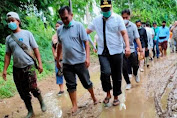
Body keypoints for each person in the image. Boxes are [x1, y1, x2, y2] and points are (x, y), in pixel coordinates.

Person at [2, 12, 46, 118]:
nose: (11, 23)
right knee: (22, 91)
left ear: (18, 21)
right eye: (9, 21)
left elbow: (35, 49)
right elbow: (8, 55)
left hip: (29, 66)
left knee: (33, 87)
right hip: (17, 69)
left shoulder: (27, 33)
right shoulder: (9, 39)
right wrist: (4, 70)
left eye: (13, 20)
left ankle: (41, 101)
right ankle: (30, 111)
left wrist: (40, 64)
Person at [86, 0, 131, 106]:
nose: (105, 10)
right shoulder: (96, 20)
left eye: (107, 8)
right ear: (100, 8)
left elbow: (124, 33)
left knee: (116, 75)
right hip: (103, 52)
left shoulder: (118, 19)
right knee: (105, 73)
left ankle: (116, 96)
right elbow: (86, 32)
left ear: (111, 7)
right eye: (103, 8)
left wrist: (127, 46)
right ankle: (108, 93)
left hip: (116, 51)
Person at [56, 6, 97, 114]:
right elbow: (59, 46)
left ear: (71, 15)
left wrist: (87, 58)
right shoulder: (60, 30)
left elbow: (86, 42)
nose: (64, 21)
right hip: (67, 63)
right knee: (70, 85)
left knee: (86, 82)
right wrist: (57, 60)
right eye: (62, 18)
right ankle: (74, 105)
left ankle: (93, 97)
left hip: (80, 62)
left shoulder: (79, 26)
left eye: (66, 18)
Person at [121, 9, 143, 90]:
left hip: (132, 49)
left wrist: (140, 49)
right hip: (121, 50)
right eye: (123, 17)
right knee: (124, 68)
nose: (125, 19)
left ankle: (136, 74)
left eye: (126, 17)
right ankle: (128, 83)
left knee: (135, 64)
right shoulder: (119, 26)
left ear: (129, 17)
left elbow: (137, 38)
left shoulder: (133, 26)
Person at [52, 21, 64, 96]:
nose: (57, 28)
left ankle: (72, 87)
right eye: (56, 26)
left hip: (67, 58)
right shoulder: (54, 37)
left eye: (58, 26)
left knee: (70, 73)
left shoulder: (66, 34)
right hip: (58, 59)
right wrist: (54, 54)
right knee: (58, 73)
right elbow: (53, 47)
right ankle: (61, 89)